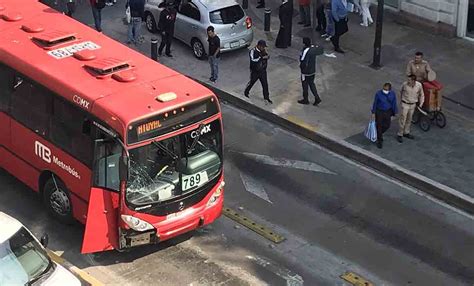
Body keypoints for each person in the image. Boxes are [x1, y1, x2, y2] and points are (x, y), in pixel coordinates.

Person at [397, 75, 424, 143]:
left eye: (409, 80)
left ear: (413, 81)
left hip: (413, 104)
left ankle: (406, 132)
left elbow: (422, 94)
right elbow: (400, 91)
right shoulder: (404, 84)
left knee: (409, 119)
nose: (408, 81)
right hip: (405, 103)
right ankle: (400, 134)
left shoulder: (419, 85)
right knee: (403, 119)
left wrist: (421, 103)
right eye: (408, 80)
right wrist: (400, 101)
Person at [244, 40, 272, 105]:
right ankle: (246, 92)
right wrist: (261, 58)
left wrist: (267, 57)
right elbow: (253, 60)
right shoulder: (252, 51)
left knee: (265, 84)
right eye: (262, 47)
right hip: (255, 71)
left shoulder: (263, 51)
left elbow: (266, 56)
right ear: (258, 46)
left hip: (262, 71)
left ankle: (266, 97)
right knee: (252, 82)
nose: (263, 48)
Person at [371, 83, 398, 148]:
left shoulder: (392, 94)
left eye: (386, 89)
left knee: (387, 125)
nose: (384, 90)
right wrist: (373, 112)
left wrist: (395, 112)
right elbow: (375, 103)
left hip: (388, 111)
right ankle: (380, 140)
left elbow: (394, 103)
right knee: (379, 125)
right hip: (379, 111)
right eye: (384, 88)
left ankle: (379, 133)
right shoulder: (378, 94)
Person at [298, 37, 323, 106]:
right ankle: (317, 97)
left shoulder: (306, 51)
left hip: (306, 72)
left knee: (304, 85)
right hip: (312, 70)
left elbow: (303, 60)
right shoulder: (313, 49)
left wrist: (301, 68)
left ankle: (305, 99)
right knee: (312, 84)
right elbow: (321, 51)